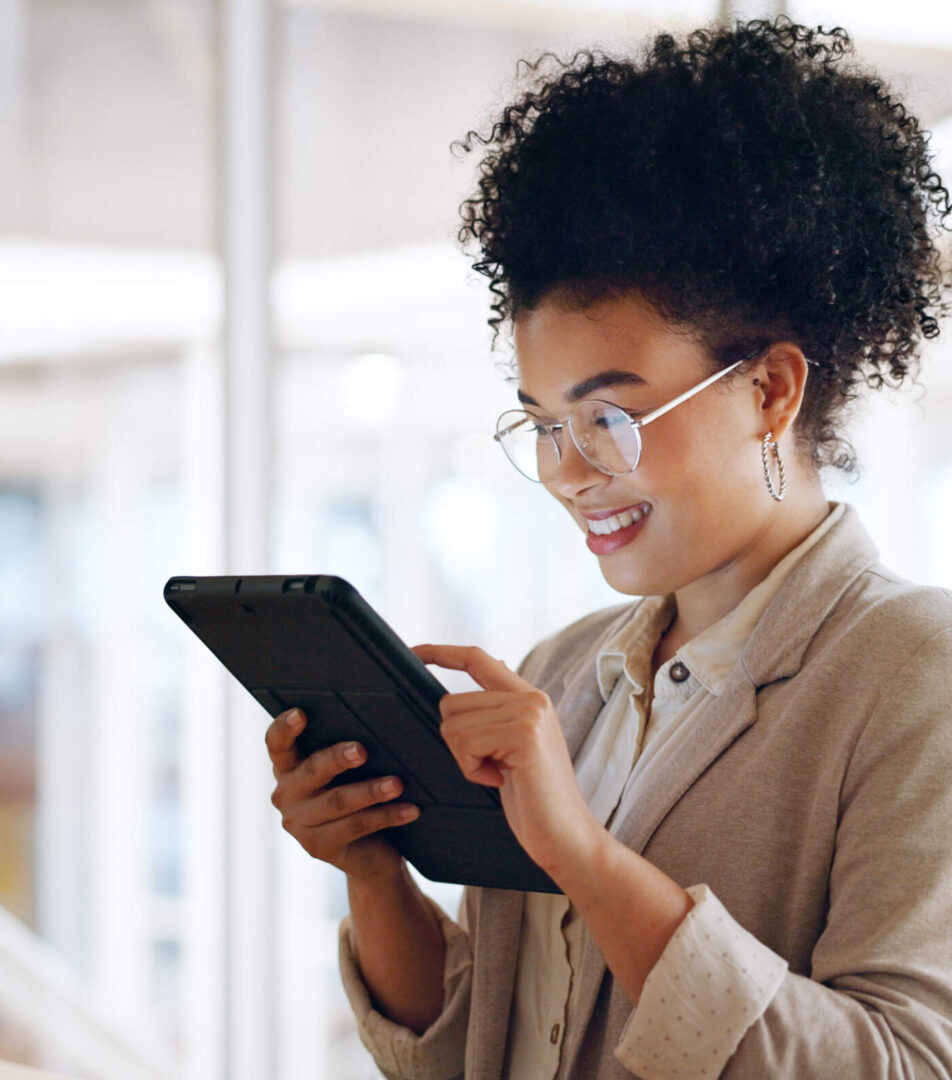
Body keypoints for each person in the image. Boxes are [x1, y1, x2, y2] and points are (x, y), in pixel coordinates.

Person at [266, 16, 952, 1080]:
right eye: (542, 424)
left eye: (608, 417)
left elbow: (901, 1064)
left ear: (769, 389)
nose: (567, 471)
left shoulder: (915, 672)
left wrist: (585, 861)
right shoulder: (562, 676)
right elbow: (477, 1048)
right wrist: (372, 869)